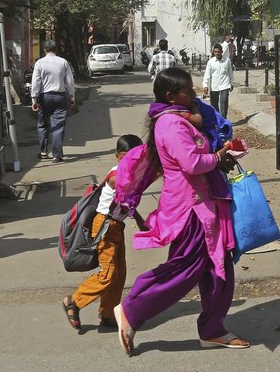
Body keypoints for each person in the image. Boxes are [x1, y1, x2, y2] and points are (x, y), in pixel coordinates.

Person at [113, 68, 249, 356]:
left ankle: (213, 330)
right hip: (191, 209)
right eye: (188, 91)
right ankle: (131, 310)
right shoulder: (171, 124)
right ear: (170, 96)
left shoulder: (183, 119)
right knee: (184, 270)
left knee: (218, 268)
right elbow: (192, 164)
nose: (194, 95)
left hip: (207, 203)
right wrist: (218, 156)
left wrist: (219, 156)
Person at [62, 135, 148, 331]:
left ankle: (108, 314)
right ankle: (74, 301)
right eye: (126, 157)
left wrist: (140, 220)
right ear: (118, 157)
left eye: (135, 157)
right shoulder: (117, 175)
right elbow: (125, 194)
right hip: (105, 226)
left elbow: (128, 204)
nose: (130, 161)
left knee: (119, 274)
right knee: (108, 273)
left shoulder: (132, 174)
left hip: (117, 226)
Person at [31, 40, 76, 163]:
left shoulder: (39, 63)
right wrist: (72, 96)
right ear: (56, 50)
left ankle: (44, 152)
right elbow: (69, 81)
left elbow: (36, 82)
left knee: (42, 124)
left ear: (44, 50)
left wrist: (34, 98)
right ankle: (57, 155)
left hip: (44, 97)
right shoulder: (63, 62)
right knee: (58, 126)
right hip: (60, 97)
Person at [202, 44, 234, 118]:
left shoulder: (227, 60)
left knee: (224, 101)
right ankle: (218, 119)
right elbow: (207, 74)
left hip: (225, 85)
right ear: (213, 52)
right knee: (214, 104)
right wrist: (205, 85)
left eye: (218, 52)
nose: (217, 53)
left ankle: (223, 119)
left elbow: (230, 72)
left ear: (222, 52)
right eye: (215, 52)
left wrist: (231, 83)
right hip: (214, 86)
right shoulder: (211, 62)